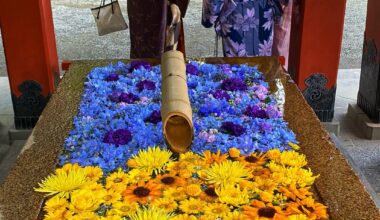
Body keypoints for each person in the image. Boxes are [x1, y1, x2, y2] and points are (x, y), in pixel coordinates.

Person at [202, 0, 285, 57]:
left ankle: (237, 81)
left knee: (236, 66)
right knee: (261, 62)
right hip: (263, 12)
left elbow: (214, 5)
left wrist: (209, 17)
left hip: (235, 15)